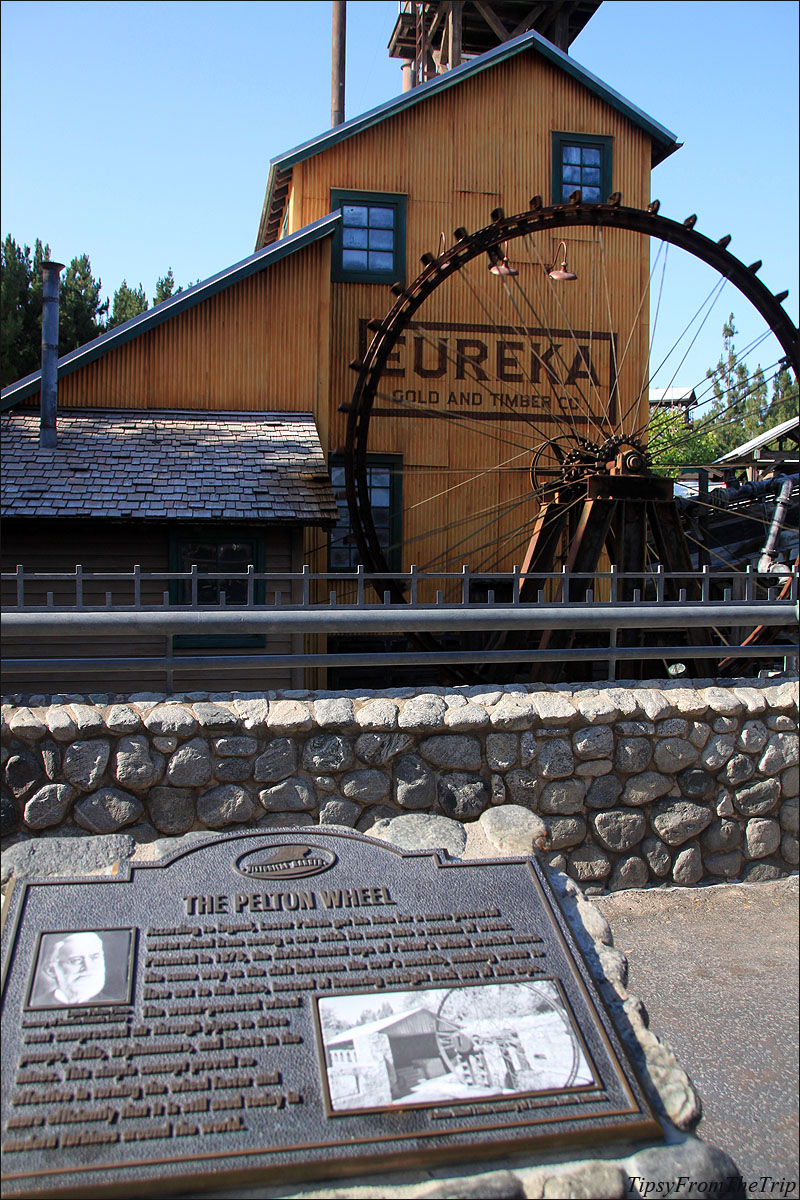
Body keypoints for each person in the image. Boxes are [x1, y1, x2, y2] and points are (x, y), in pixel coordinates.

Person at [39, 931, 108, 1005]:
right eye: (76, 960)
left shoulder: (112, 1002)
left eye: (95, 957)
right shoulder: (38, 1003)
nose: (88, 967)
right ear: (51, 970)